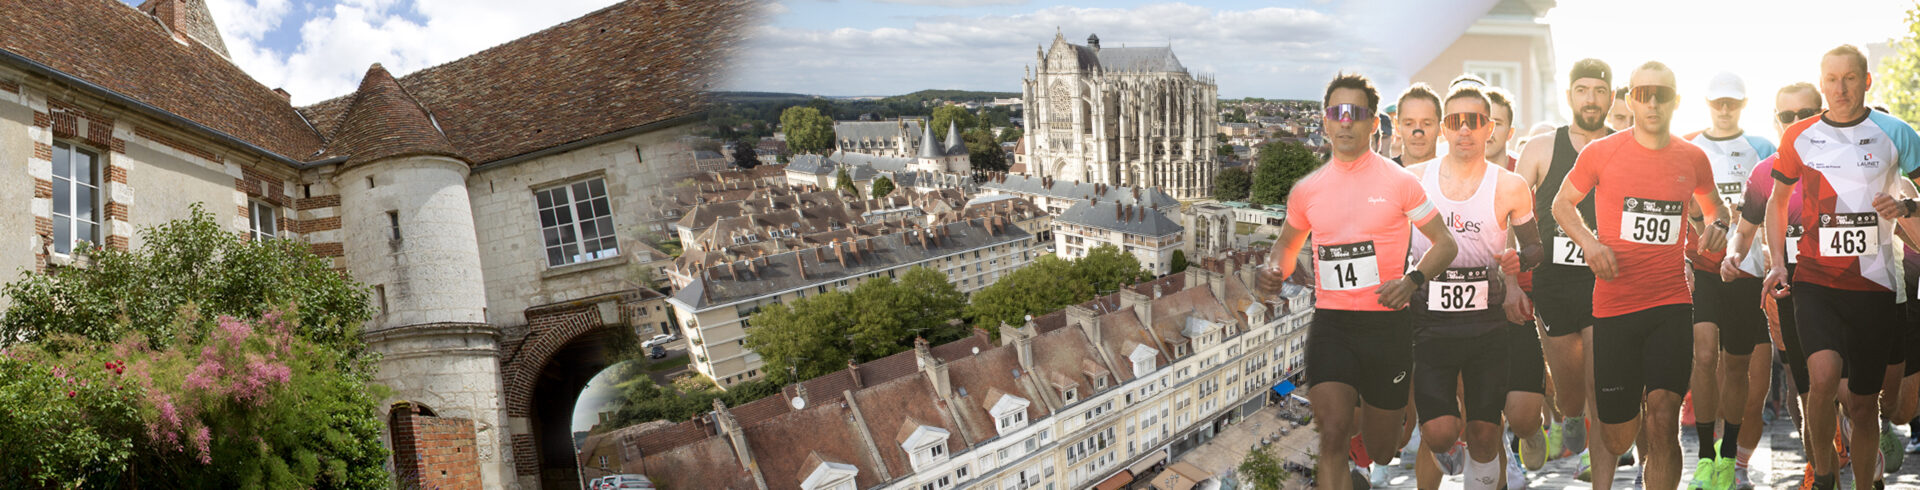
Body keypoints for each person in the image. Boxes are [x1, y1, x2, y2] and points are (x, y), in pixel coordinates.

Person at [1260, 72, 1459, 490]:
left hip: (1387, 326)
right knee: (1332, 432)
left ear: (1372, 123)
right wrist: (1273, 267)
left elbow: (1446, 244)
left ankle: (1385, 427)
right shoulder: (1307, 190)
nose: (1346, 121)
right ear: (1325, 122)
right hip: (1332, 325)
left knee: (1382, 448)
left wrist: (1412, 280)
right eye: (1337, 112)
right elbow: (1286, 244)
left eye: (1356, 112)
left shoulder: (1401, 183)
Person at [1552, 61, 1729, 490]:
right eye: (1643, 94)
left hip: (1670, 304)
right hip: (1615, 307)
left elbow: (1716, 208)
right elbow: (1561, 204)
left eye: (1661, 95)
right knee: (1617, 436)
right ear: (1629, 100)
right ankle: (1624, 429)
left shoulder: (1693, 158)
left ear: (1676, 101)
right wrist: (1590, 245)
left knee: (1664, 416)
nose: (1652, 103)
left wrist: (1719, 226)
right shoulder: (1601, 152)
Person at [1761, 44, 1920, 490]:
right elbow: (1777, 202)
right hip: (1816, 281)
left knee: (1866, 406)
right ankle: (1826, 475)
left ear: (1866, 81)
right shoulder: (1800, 135)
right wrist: (1778, 263)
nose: (1841, 88)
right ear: (1822, 82)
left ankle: (1864, 484)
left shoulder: (1896, 132)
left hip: (1874, 284)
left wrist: (1906, 205)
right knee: (1824, 378)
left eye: (1850, 78)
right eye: (1832, 79)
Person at [1404, 83, 1545, 490]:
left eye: (1475, 121)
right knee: (1438, 433)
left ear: (1489, 128)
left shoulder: (1510, 185)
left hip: (1487, 327)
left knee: (1485, 433)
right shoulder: (1413, 180)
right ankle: (1446, 448)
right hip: (1429, 325)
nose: (1464, 129)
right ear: (1444, 129)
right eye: (1455, 121)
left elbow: (1534, 247)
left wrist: (1520, 260)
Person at [1514, 58, 1614, 483]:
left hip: (1604, 281)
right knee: (1569, 390)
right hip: (1553, 284)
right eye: (1582, 90)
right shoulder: (1541, 148)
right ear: (1569, 95)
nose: (1591, 99)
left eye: (1599, 91)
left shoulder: (1623, 146)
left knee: (1599, 379)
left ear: (1611, 98)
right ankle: (1569, 416)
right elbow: (1510, 210)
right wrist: (1509, 275)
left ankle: (1595, 458)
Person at [1721, 81, 1822, 490]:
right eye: (1786, 116)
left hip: (1845, 286)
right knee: (1804, 384)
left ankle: (1859, 441)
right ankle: (1820, 466)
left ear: (1821, 114)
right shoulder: (1765, 173)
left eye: (1805, 115)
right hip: (1790, 288)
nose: (1795, 123)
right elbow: (1744, 232)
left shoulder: (1845, 162)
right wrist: (1732, 255)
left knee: (1849, 391)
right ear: (1775, 120)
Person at [1683, 71, 1779, 490]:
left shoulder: (1763, 149)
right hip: (1703, 268)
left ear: (1743, 105)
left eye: (1732, 103)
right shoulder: (1688, 145)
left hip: (1746, 270)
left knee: (1737, 366)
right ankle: (1705, 456)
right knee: (1704, 356)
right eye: (1717, 102)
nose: (1724, 109)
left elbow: (1779, 207)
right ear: (1706, 104)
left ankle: (1729, 457)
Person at [1397, 84, 1443, 167]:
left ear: (1441, 128)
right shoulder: (1382, 172)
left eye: (1427, 124)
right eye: (1409, 124)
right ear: (1397, 127)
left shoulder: (1455, 174)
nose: (1418, 134)